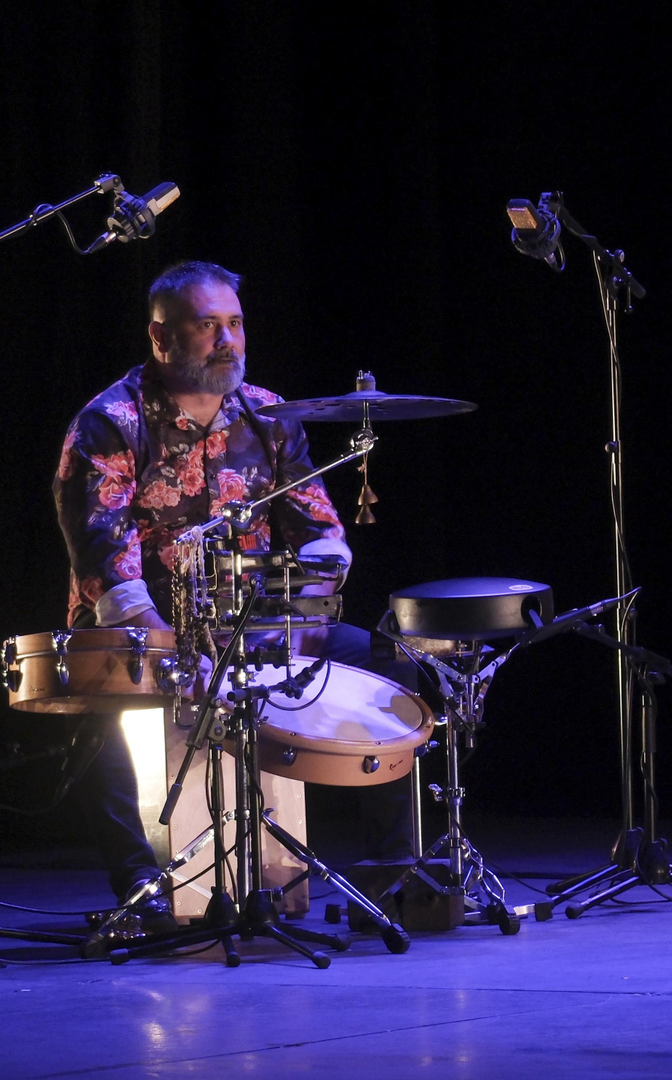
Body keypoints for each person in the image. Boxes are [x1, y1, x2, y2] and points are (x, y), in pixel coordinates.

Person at [53, 260, 413, 926]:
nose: (229, 339)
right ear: (162, 339)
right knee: (106, 706)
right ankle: (142, 888)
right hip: (145, 633)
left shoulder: (270, 416)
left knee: (393, 665)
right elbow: (108, 564)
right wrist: (176, 652)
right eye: (208, 325)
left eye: (236, 324)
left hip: (253, 628)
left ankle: (393, 872)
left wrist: (294, 614)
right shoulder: (111, 422)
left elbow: (324, 534)